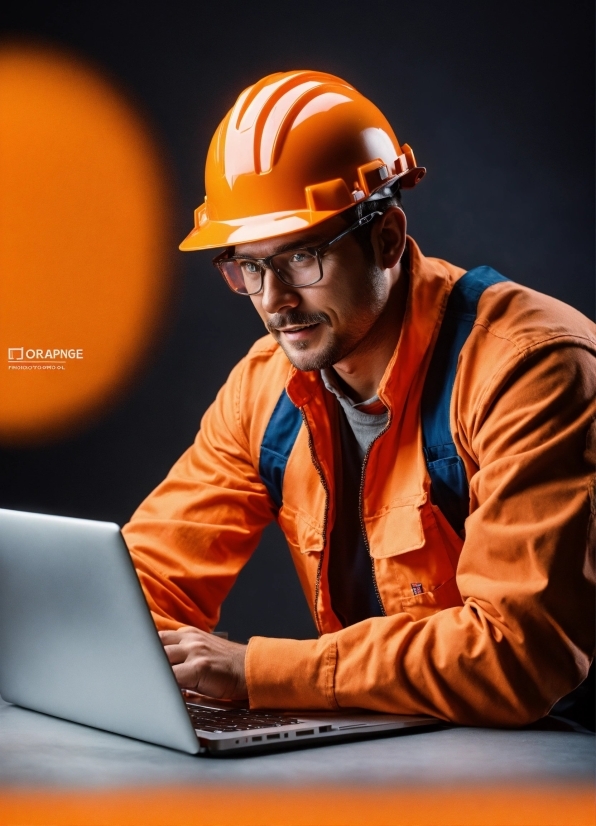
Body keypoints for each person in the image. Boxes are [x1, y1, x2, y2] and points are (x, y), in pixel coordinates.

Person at [122, 70, 595, 729]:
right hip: (403, 746)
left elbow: (521, 655)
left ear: (387, 238)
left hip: (564, 753)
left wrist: (254, 672)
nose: (274, 299)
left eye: (302, 257)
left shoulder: (528, 371)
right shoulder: (265, 390)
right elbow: (142, 586)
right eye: (249, 265)